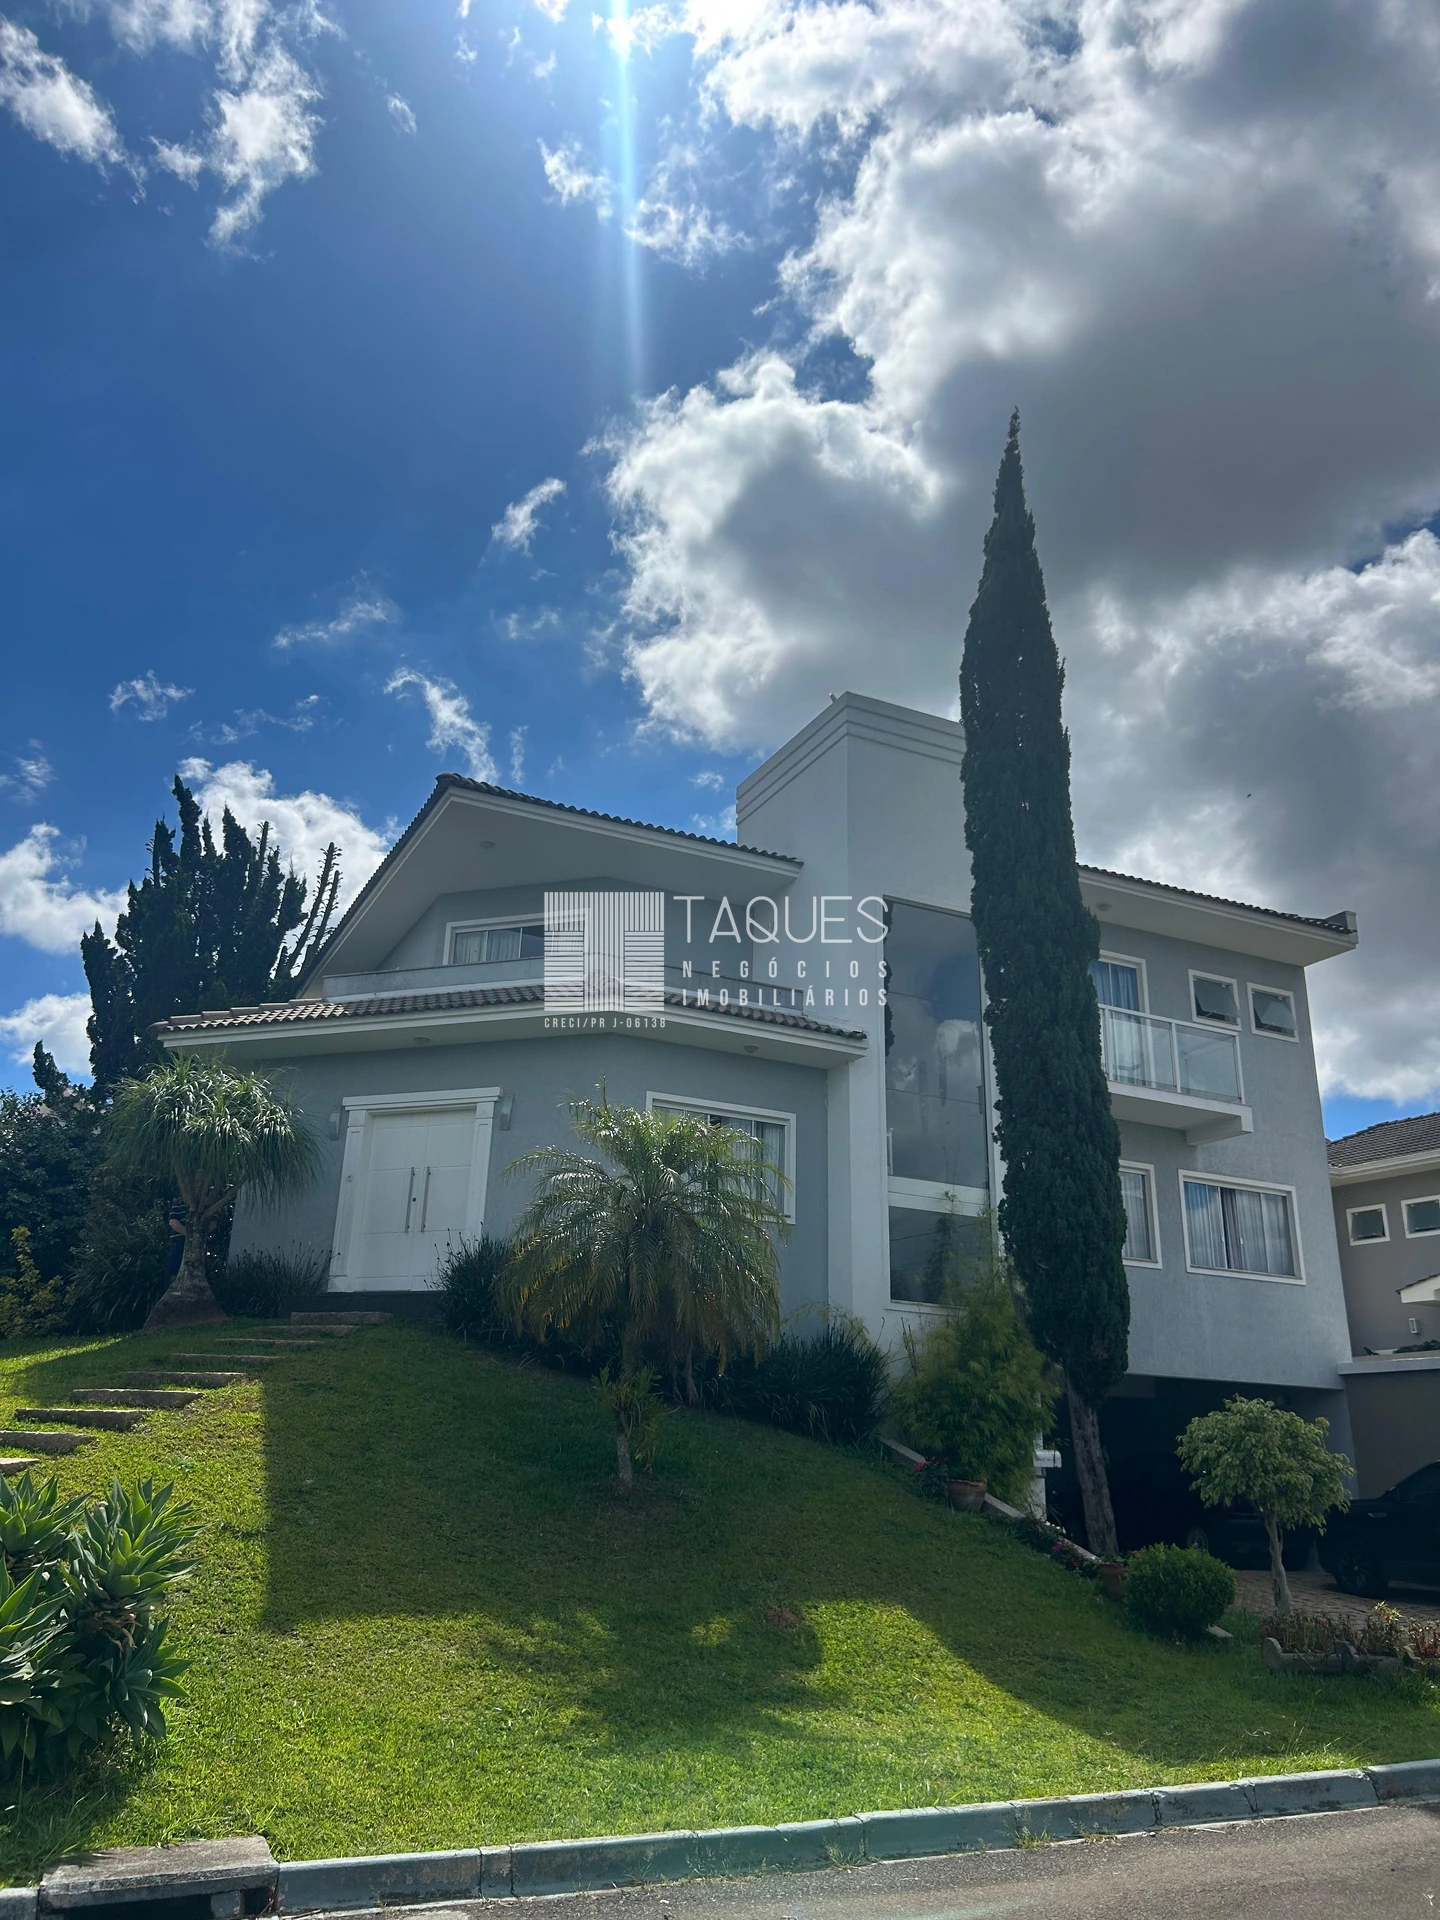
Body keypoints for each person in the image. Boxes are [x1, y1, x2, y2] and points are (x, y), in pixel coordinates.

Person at [165, 1200, 187, 1281]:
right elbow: (172, 1221)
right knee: (173, 1271)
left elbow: (213, 1224)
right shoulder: (179, 1201)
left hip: (198, 1244)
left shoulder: (208, 1201)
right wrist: (188, 1233)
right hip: (178, 1240)